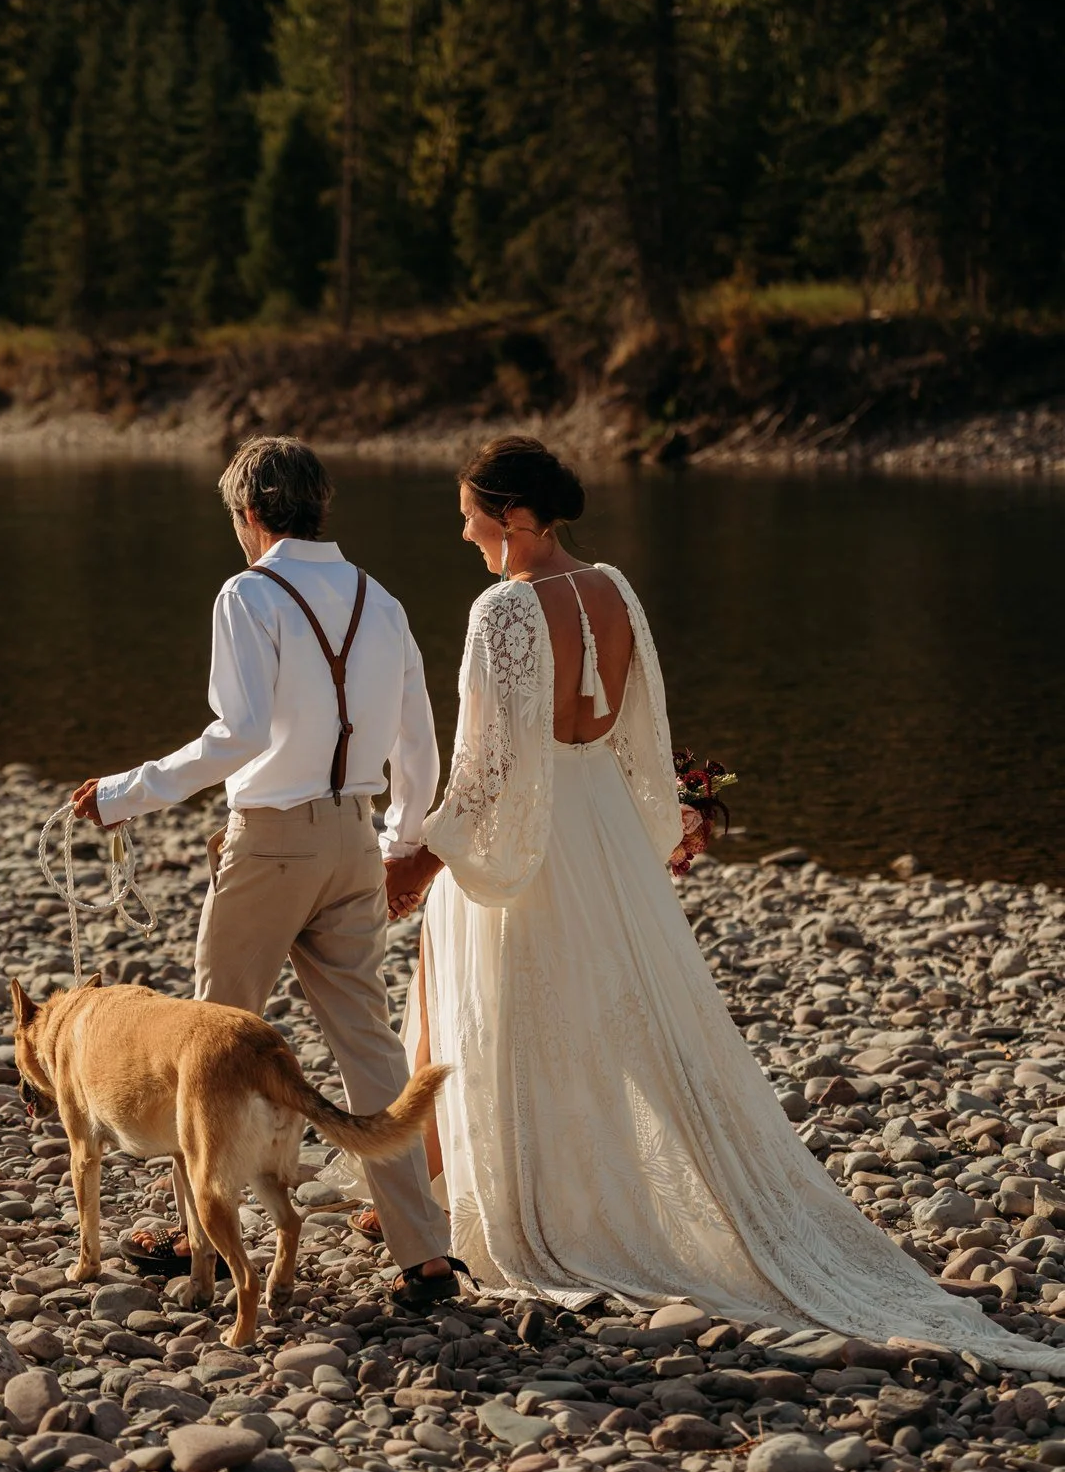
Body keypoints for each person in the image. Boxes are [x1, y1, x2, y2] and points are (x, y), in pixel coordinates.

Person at [386, 433, 1065, 1374]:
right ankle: (499, 1181)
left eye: (467, 515)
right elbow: (638, 725)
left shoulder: (501, 608)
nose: (461, 533)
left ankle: (497, 1201)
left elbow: (485, 768)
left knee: (502, 1005)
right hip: (603, 833)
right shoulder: (615, 588)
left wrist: (420, 852)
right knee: (598, 1011)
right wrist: (662, 823)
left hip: (538, 833)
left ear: (511, 518)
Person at [72, 435, 460, 1308]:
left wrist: (128, 795)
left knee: (207, 1044)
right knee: (367, 1041)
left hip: (271, 841)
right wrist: (401, 841)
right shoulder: (381, 598)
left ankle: (195, 1236)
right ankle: (424, 1253)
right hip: (355, 839)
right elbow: (418, 741)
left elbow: (237, 735)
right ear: (320, 506)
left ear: (249, 516)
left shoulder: (249, 593)